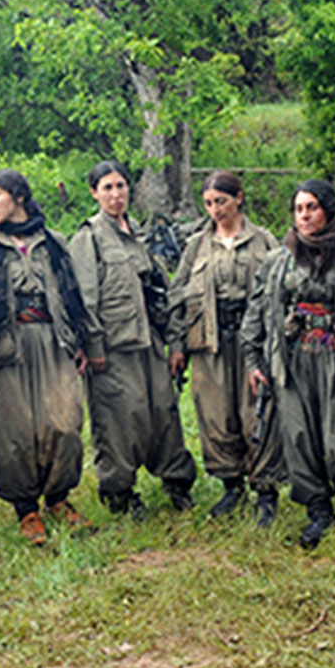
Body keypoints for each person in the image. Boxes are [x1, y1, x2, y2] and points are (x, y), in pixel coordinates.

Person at [241, 180, 335, 551]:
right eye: (298, 209)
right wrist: (253, 360)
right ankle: (317, 509)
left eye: (312, 207)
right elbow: (258, 312)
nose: (304, 215)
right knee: (299, 437)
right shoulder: (279, 260)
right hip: (292, 361)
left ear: (327, 209)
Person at [0, 169, 100, 544]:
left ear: (18, 197)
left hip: (53, 342)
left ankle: (58, 499)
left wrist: (80, 342)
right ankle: (26, 510)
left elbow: (73, 298)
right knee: (15, 430)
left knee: (64, 423)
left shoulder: (55, 242)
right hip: (7, 347)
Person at [69, 161, 197, 519]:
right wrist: (93, 347)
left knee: (163, 414)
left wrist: (174, 343)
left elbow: (162, 291)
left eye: (121, 186)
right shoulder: (89, 237)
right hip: (112, 347)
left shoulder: (139, 234)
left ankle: (177, 482)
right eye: (107, 187)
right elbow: (85, 299)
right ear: (94, 192)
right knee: (118, 422)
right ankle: (119, 492)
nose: (115, 194)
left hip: (150, 342)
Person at [166, 171, 282, 523]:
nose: (215, 210)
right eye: (208, 203)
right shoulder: (197, 245)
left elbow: (282, 289)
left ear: (239, 198)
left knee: (257, 415)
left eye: (221, 201)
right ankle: (231, 486)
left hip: (253, 343)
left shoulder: (263, 241)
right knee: (215, 416)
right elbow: (177, 295)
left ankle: (265, 490)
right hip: (209, 343)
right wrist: (176, 344)